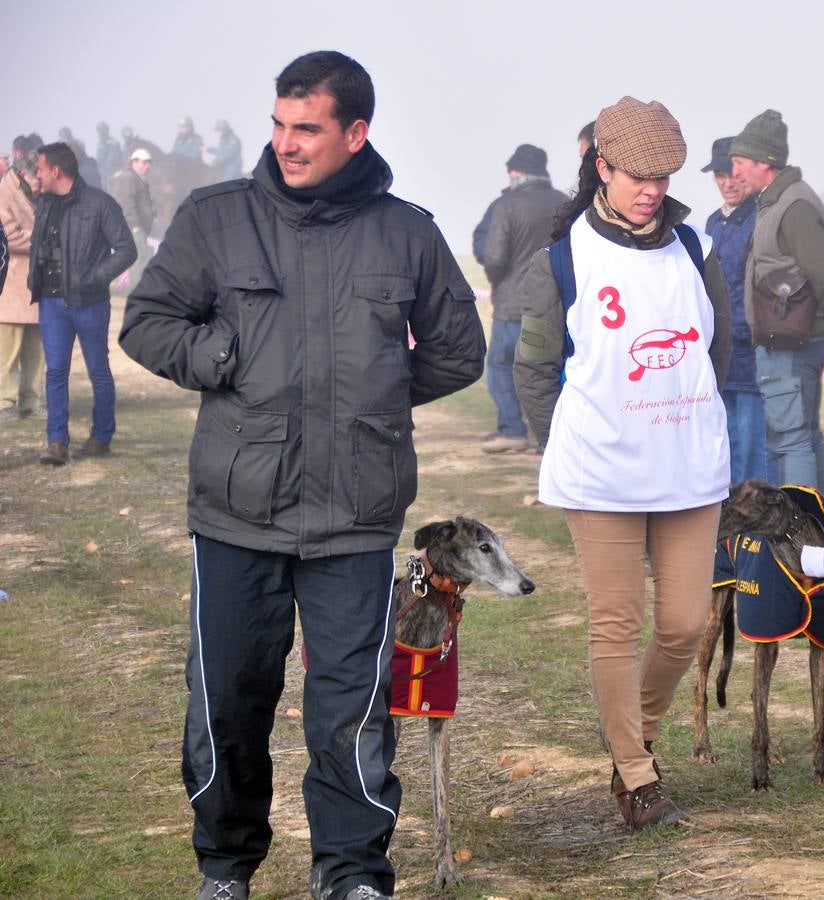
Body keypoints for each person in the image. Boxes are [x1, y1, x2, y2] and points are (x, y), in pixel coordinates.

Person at [119, 50, 485, 900]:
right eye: (279, 125)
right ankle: (225, 866)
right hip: (238, 510)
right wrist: (223, 357)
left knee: (352, 711)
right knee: (226, 702)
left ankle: (352, 873)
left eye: (307, 128)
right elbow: (147, 322)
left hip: (355, 514)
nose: (286, 143)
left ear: (355, 133)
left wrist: (373, 404)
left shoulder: (408, 232)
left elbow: (459, 350)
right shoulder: (217, 220)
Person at [515, 96, 731, 831]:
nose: (650, 189)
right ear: (600, 166)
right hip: (601, 472)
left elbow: (716, 347)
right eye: (636, 175)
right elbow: (534, 367)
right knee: (616, 624)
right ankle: (637, 776)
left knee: (683, 624)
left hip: (686, 466)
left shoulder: (694, 249)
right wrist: (567, 445)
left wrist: (690, 414)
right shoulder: (561, 255)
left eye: (662, 177)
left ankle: (628, 738)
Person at [730, 109, 824, 532]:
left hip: (790, 344)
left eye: (741, 160)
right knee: (807, 438)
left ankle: (802, 535)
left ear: (765, 160)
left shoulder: (793, 204)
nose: (735, 170)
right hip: (790, 341)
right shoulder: (778, 201)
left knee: (791, 441)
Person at [30, 142, 134, 464]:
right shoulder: (45, 203)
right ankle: (56, 442)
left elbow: (127, 250)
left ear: (56, 171)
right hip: (51, 303)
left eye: (40, 169)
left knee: (98, 372)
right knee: (56, 372)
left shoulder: (101, 204)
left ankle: (101, 437)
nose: (37, 174)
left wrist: (92, 278)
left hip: (89, 302)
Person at [478, 143, 567, 453]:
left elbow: (495, 256)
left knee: (502, 366)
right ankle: (553, 438)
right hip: (557, 306)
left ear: (518, 172)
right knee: (549, 372)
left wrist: (497, 280)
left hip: (513, 305)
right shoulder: (564, 203)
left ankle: (513, 430)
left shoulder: (507, 205)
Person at [702, 135, 771, 484]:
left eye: (732, 173)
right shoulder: (713, 222)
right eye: (719, 175)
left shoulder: (763, 217)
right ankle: (731, 525)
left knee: (754, 448)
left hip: (753, 350)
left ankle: (761, 529)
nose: (727, 182)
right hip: (721, 352)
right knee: (725, 442)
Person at [0, 155, 44, 420]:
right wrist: (45, 239)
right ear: (25, 175)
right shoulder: (3, 193)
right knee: (7, 350)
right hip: (11, 285)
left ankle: (31, 401)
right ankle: (4, 402)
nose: (41, 184)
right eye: (38, 178)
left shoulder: (36, 195)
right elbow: (8, 235)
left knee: (35, 350)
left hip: (35, 286)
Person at [109, 148, 156, 288]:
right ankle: (135, 291)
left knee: (139, 257)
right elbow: (126, 203)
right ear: (134, 162)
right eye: (144, 162)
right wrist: (135, 225)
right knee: (140, 257)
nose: (147, 166)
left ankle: (129, 290)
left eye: (149, 163)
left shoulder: (138, 179)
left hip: (137, 227)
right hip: (132, 227)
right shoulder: (129, 178)